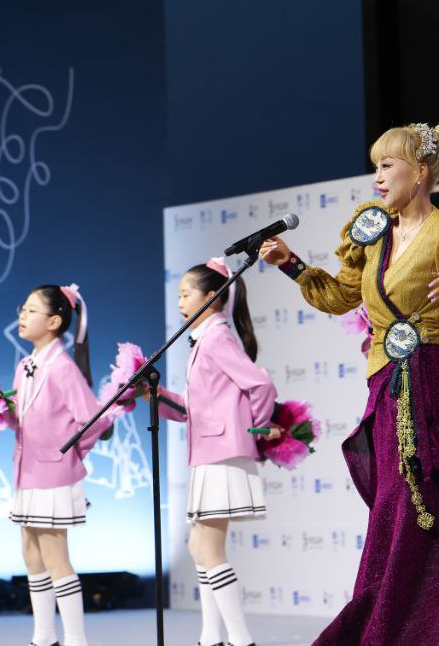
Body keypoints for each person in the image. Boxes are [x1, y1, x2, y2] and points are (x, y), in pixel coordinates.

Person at [260, 123, 439, 645]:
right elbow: (340, 296)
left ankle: (424, 625)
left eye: (387, 165)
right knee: (395, 496)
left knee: (420, 494)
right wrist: (290, 264)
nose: (377, 177)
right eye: (376, 165)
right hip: (384, 379)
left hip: (428, 375)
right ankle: (410, 619)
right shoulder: (371, 228)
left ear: (420, 172)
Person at [154, 259, 277, 646]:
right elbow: (193, 406)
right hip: (209, 451)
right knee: (200, 547)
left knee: (206, 547)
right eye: (179, 294)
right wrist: (155, 396)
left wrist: (252, 429)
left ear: (211, 297)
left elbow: (260, 385)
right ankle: (211, 638)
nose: (180, 302)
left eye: (186, 294)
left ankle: (240, 640)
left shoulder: (216, 337)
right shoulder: (204, 338)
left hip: (221, 452)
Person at [8, 283, 112, 646]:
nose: (23, 314)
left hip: (53, 475)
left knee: (55, 557)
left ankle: (76, 640)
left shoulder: (64, 368)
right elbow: (27, 417)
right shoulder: (25, 366)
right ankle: (43, 637)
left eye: (32, 310)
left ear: (54, 321)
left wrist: (66, 452)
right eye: (23, 307)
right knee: (31, 554)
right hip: (27, 473)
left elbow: (95, 420)